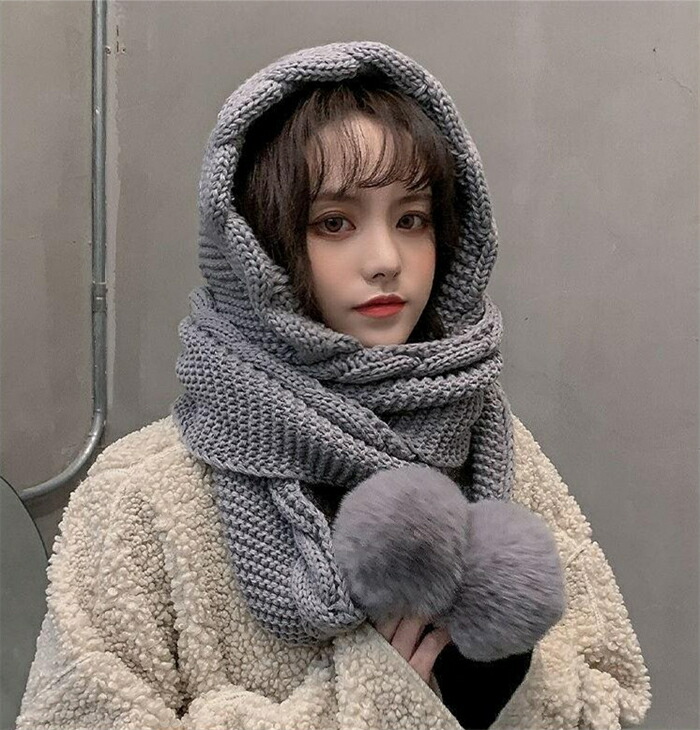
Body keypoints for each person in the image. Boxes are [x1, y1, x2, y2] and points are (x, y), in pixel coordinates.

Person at [16, 41, 652, 730]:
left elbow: (616, 692)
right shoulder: (142, 497)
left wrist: (508, 685)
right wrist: (371, 709)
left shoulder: (493, 443)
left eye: (411, 219)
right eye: (334, 223)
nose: (385, 260)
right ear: (258, 249)